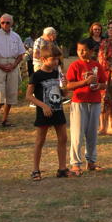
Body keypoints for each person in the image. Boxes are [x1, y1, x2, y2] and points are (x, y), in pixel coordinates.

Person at [26, 43, 69, 180]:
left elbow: (63, 92)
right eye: (53, 59)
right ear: (44, 59)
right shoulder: (37, 76)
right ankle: (35, 170)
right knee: (40, 140)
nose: (56, 62)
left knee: (63, 138)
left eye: (57, 59)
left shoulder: (57, 73)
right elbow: (28, 95)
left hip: (57, 110)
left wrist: (65, 87)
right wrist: (43, 106)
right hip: (44, 112)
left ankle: (62, 168)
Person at [66, 38, 107, 174]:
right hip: (79, 102)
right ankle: (75, 164)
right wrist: (84, 82)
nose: (81, 53)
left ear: (91, 51)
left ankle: (91, 161)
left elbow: (104, 83)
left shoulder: (97, 66)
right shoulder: (75, 66)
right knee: (77, 134)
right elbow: (69, 85)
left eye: (84, 50)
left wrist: (97, 86)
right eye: (79, 50)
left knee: (92, 134)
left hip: (94, 102)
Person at [0, 13, 26, 128]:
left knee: (11, 92)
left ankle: (5, 119)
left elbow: (21, 53)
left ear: (12, 23)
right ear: (0, 23)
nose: (5, 24)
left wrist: (14, 65)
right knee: (0, 92)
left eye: (8, 22)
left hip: (13, 64)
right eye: (3, 22)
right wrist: (0, 65)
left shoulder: (16, 36)